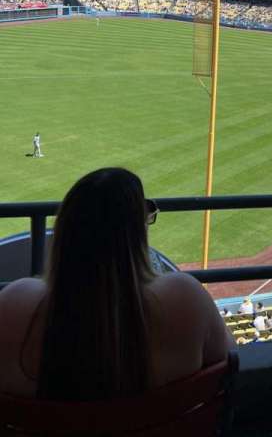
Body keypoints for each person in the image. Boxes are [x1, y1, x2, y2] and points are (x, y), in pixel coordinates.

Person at [0, 168, 232, 400]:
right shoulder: (186, 297)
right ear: (135, 235)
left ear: (64, 230)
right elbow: (232, 359)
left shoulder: (15, 302)